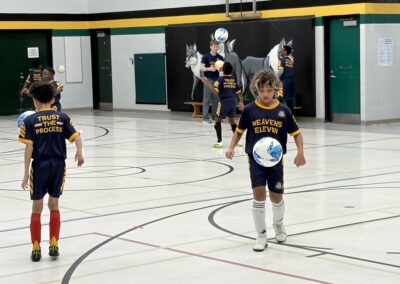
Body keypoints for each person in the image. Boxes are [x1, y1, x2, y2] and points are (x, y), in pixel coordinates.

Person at [225, 71, 305, 252]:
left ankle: (278, 224)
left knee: (276, 197)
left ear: (275, 89)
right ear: (256, 91)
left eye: (269, 90)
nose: (266, 94)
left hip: (276, 162)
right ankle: (261, 234)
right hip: (255, 160)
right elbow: (239, 131)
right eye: (262, 91)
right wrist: (231, 147)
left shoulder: (283, 111)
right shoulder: (249, 110)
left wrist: (300, 152)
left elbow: (297, 134)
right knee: (258, 194)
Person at [18, 81, 84, 262]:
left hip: (40, 166)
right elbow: (77, 139)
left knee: (36, 207)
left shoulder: (29, 121)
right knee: (54, 204)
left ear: (34, 100)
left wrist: (25, 173)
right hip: (58, 165)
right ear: (53, 99)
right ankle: (54, 244)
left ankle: (36, 248)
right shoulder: (62, 117)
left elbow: (28, 150)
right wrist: (79, 154)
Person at [211, 62, 244, 148]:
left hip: (224, 102)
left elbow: (215, 92)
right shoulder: (233, 80)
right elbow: (239, 93)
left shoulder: (220, 80)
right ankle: (238, 141)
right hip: (233, 102)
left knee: (217, 119)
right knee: (231, 120)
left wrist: (207, 83)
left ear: (222, 69)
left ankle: (219, 142)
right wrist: (241, 102)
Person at [200, 40, 223, 125]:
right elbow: (201, 68)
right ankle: (205, 118)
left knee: (216, 99)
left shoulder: (220, 57)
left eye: (217, 47)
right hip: (208, 80)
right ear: (210, 47)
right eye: (214, 46)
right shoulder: (205, 57)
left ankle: (214, 117)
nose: (215, 48)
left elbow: (222, 70)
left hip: (217, 80)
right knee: (206, 99)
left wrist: (220, 69)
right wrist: (209, 69)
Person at [277, 45, 295, 111]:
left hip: (284, 82)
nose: (281, 51)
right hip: (291, 82)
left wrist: (274, 77)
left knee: (280, 98)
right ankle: (291, 116)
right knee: (290, 99)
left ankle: (281, 115)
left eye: (283, 50)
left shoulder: (281, 60)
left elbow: (281, 71)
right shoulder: (291, 60)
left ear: (286, 52)